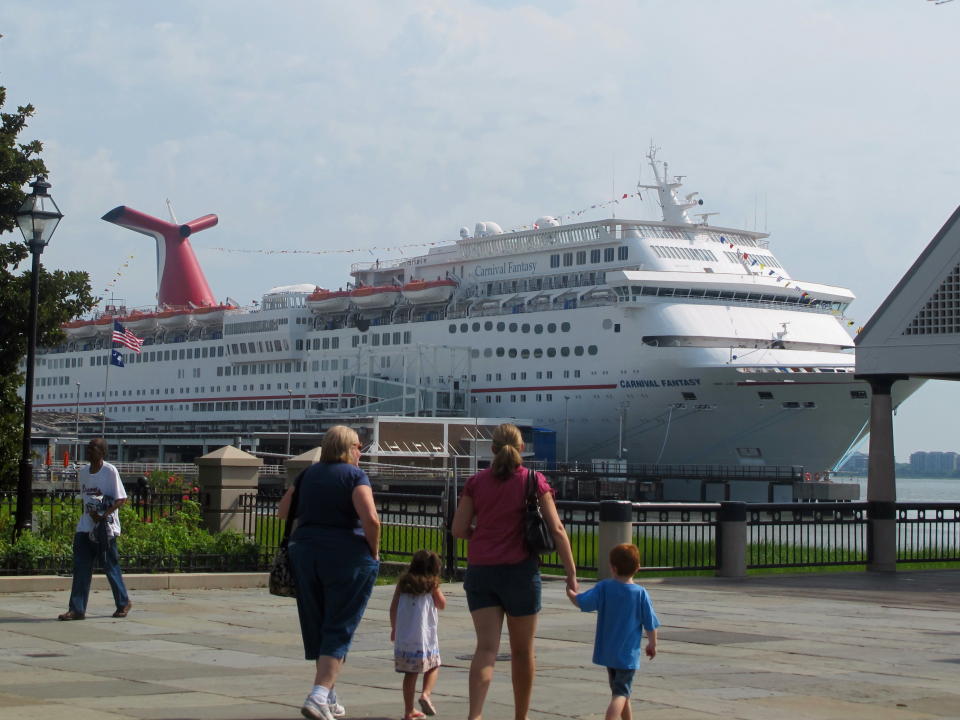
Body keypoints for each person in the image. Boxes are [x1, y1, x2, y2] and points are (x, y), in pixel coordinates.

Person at [451, 423, 578, 720]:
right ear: (522, 448)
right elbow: (557, 530)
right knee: (522, 652)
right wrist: (571, 573)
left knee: (485, 649)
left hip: (481, 572)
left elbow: (458, 529)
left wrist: (482, 537)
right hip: (521, 573)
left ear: (492, 449)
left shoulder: (475, 482)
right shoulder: (534, 481)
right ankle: (520, 716)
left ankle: (475, 715)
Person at [278, 425, 381, 720]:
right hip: (346, 556)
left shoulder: (307, 474)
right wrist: (373, 552)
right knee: (340, 623)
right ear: (347, 448)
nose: (360, 452)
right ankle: (319, 694)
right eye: (358, 446)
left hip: (305, 554)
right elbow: (371, 519)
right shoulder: (354, 476)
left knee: (320, 623)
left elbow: (283, 511)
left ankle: (330, 694)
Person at [566, 544, 660, 720]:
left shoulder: (604, 587)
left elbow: (583, 603)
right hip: (627, 655)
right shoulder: (640, 593)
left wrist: (571, 593)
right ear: (638, 568)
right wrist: (652, 643)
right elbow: (650, 623)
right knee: (620, 694)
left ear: (613, 568)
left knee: (622, 692)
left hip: (609, 653)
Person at [58, 438, 132, 620]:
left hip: (104, 529)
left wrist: (103, 515)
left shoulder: (109, 471)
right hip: (85, 526)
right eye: (88, 448)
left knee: (110, 566)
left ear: (102, 452)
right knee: (81, 568)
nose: (89, 451)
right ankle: (77, 608)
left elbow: (121, 499)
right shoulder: (83, 472)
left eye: (93, 448)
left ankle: (123, 602)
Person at [389, 550, 446, 720]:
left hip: (406, 637)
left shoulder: (403, 583)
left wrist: (394, 628)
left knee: (410, 673)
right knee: (434, 665)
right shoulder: (432, 584)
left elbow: (393, 607)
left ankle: (408, 710)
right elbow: (442, 604)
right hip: (425, 638)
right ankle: (426, 694)